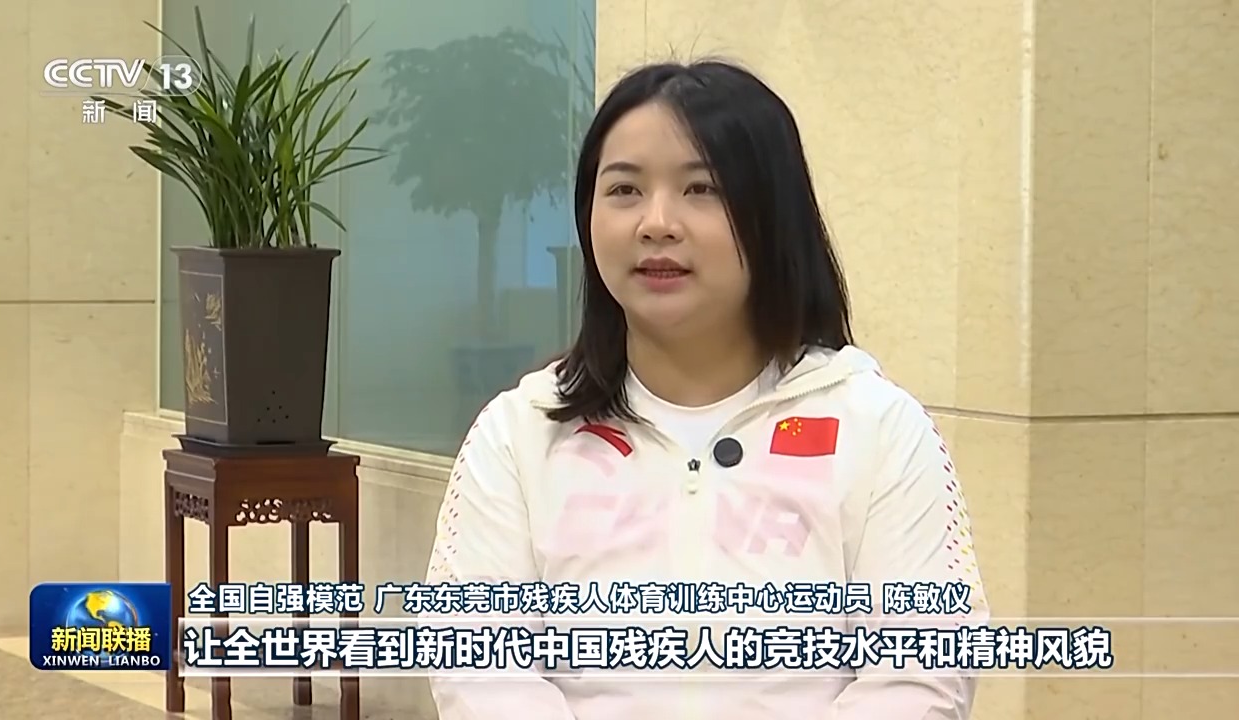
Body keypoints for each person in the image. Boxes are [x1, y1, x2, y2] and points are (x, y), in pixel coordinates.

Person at [423, 59, 989, 719]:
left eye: (702, 189)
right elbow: (477, 663)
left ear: (772, 215)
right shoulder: (520, 433)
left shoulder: (878, 428)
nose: (657, 223)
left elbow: (921, 673)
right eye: (624, 190)